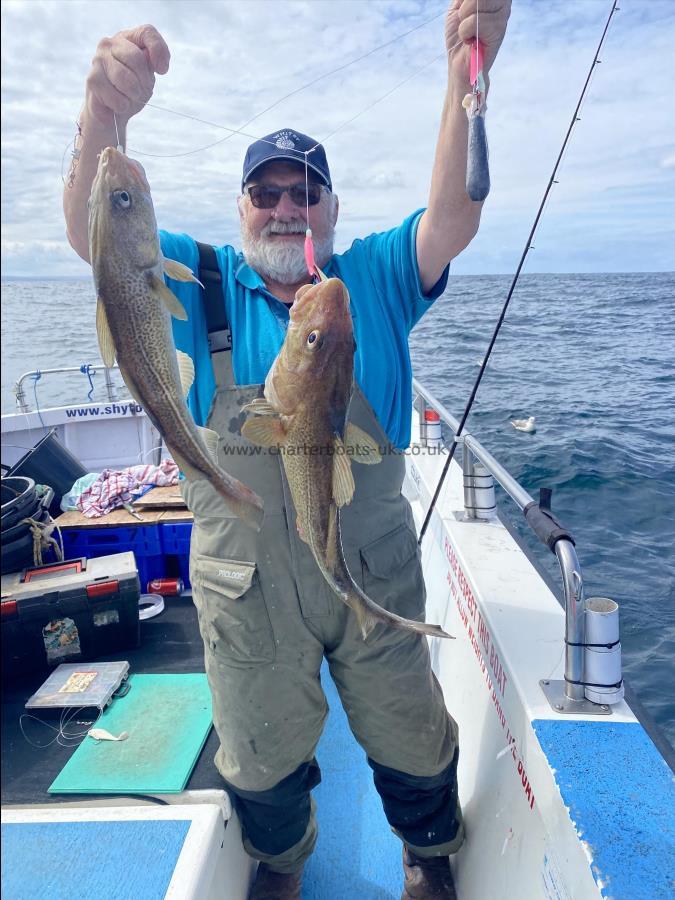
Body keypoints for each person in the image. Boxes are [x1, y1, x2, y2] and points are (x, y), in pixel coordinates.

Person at [64, 3, 511, 897]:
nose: (284, 205)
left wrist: (469, 70)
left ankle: (427, 853)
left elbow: (453, 218)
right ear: (241, 209)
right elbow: (98, 238)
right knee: (258, 746)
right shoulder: (195, 278)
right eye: (264, 192)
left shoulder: (373, 275)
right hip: (244, 581)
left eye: (303, 191)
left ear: (330, 209)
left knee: (408, 729)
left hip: (367, 566)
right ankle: (279, 861)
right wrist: (100, 115)